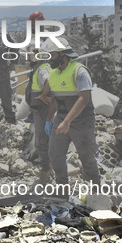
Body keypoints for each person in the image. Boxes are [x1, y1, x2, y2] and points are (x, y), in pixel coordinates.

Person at [42, 37, 101, 186]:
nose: (49, 59)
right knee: (55, 154)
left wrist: (67, 122)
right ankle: (62, 187)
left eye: (52, 55)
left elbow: (84, 99)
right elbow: (55, 98)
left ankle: (96, 185)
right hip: (61, 118)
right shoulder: (53, 74)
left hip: (82, 121)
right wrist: (49, 120)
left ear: (63, 54)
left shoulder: (79, 72)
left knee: (86, 155)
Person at [25, 12, 52, 181]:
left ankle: (46, 170)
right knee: (42, 136)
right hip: (40, 105)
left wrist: (42, 96)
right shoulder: (38, 66)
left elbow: (48, 80)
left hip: (43, 106)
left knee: (42, 138)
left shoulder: (42, 67)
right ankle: (48, 167)